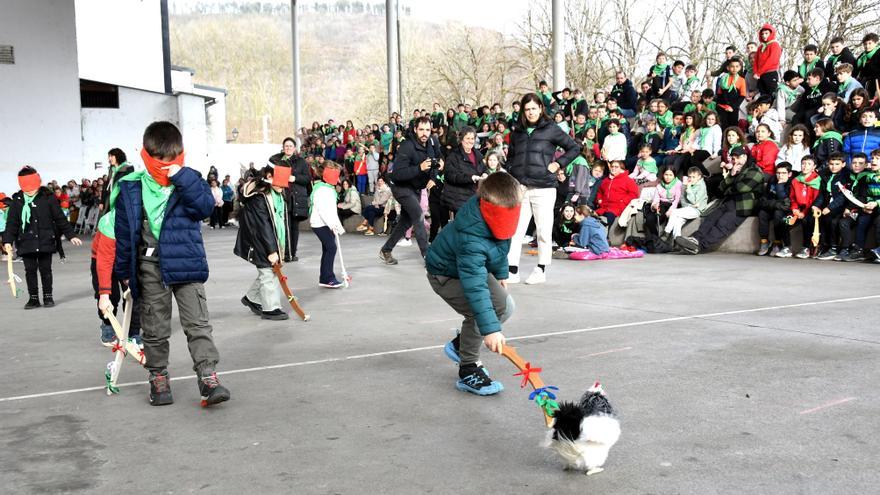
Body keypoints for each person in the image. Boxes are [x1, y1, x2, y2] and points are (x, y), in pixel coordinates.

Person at [110, 121, 229, 407]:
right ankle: (158, 376)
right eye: (160, 162)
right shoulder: (131, 187)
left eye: (172, 160)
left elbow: (204, 207)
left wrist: (182, 177)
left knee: (198, 323)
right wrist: (124, 272)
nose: (165, 167)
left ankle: (208, 377)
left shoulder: (190, 180)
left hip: (187, 263)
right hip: (150, 265)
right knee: (155, 326)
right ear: (146, 155)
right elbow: (124, 234)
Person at [426, 172, 520, 396]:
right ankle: (468, 368)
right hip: (445, 275)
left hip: (469, 269)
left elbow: (500, 244)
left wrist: (501, 273)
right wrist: (490, 330)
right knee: (481, 313)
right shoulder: (471, 238)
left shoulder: (500, 215)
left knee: (506, 306)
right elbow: (475, 288)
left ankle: (460, 344)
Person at [505, 93, 580, 285]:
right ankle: (512, 270)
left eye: (533, 108)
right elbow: (511, 157)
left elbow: (574, 148)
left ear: (540, 108)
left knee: (543, 231)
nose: (530, 112)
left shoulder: (551, 128)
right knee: (515, 230)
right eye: (527, 109)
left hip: (544, 187)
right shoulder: (517, 132)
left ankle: (541, 269)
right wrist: (512, 171)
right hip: (521, 187)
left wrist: (558, 164)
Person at [3, 167, 82, 309]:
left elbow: (59, 218)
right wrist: (8, 241)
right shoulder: (17, 200)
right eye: (26, 189)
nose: (29, 191)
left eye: (32, 188)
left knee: (46, 270)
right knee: (30, 271)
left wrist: (71, 235)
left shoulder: (48, 197)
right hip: (26, 241)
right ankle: (33, 298)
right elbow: (12, 223)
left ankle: (48, 296)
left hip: (45, 239)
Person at [674, 147, 765, 254]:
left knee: (723, 224)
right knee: (710, 219)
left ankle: (699, 246)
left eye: (738, 158)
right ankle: (695, 239)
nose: (735, 161)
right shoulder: (734, 171)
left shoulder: (755, 171)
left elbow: (742, 188)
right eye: (733, 158)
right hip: (728, 202)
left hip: (743, 206)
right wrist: (731, 176)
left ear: (745, 157)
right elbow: (720, 189)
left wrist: (729, 188)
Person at [234, 165, 292, 320]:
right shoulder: (259, 198)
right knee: (267, 272)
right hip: (258, 240)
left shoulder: (276, 194)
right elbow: (263, 226)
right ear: (269, 177)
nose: (283, 187)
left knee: (270, 271)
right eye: (280, 183)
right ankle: (270, 308)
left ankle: (252, 298)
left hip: (269, 239)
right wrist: (272, 251)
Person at [379, 117, 439, 265]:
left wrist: (433, 177)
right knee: (418, 215)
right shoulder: (407, 146)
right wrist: (419, 168)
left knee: (406, 222)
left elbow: (435, 161)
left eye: (427, 130)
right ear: (415, 130)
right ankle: (428, 257)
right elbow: (398, 173)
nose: (425, 133)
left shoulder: (431, 143)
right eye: (421, 129)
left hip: (416, 187)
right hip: (401, 186)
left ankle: (386, 250)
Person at [269, 137, 310, 262]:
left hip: (295, 198)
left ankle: (292, 252)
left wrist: (295, 178)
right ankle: (283, 252)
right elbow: (268, 174)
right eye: (286, 146)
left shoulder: (301, 162)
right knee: (281, 226)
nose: (288, 148)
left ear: (294, 148)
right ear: (283, 147)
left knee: (293, 227)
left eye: (290, 146)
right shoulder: (275, 160)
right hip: (281, 197)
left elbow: (307, 179)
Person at [310, 161, 346, 287]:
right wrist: (332, 225)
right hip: (320, 223)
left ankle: (324, 278)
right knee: (331, 248)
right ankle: (327, 278)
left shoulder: (329, 189)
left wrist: (336, 226)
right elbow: (323, 210)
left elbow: (331, 211)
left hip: (326, 223)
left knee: (327, 248)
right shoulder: (322, 189)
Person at [442, 126, 487, 215]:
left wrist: (485, 173)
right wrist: (470, 178)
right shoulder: (453, 155)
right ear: (461, 139)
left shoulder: (477, 154)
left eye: (472, 138)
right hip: (459, 199)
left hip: (474, 196)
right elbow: (450, 175)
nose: (470, 141)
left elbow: (484, 168)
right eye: (467, 138)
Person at [785, 155, 823, 259]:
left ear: (814, 166)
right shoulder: (796, 180)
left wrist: (804, 212)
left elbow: (815, 200)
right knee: (784, 220)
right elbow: (792, 197)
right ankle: (786, 247)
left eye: (809, 164)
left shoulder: (817, 180)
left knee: (807, 221)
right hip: (797, 210)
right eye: (803, 164)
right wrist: (795, 209)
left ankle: (806, 248)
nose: (805, 166)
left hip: (810, 210)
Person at [814, 153, 850, 260]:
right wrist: (816, 205)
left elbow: (843, 196)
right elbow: (822, 194)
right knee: (821, 219)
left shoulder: (846, 176)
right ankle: (825, 245)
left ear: (843, 164)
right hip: (828, 206)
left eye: (837, 164)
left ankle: (834, 248)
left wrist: (830, 207)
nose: (834, 167)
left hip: (841, 207)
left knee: (834, 222)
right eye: (831, 164)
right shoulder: (825, 175)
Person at [756, 162, 793, 257]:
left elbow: (787, 205)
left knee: (778, 214)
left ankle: (778, 242)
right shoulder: (772, 180)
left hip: (786, 211)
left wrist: (780, 186)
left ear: (789, 174)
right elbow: (765, 198)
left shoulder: (792, 183)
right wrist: (773, 204)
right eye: (778, 173)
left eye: (784, 173)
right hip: (774, 206)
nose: (780, 175)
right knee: (762, 213)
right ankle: (764, 241)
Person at [665, 167, 709, 239]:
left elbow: (694, 201)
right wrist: (684, 186)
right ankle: (677, 239)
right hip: (689, 208)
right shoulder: (689, 184)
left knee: (673, 212)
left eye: (693, 177)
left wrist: (688, 188)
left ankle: (666, 232)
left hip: (696, 210)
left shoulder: (701, 186)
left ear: (699, 177)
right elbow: (683, 201)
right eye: (689, 177)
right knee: (677, 221)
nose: (691, 179)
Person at [595, 160, 639, 225]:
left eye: (616, 167)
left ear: (621, 169)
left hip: (617, 208)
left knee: (608, 219)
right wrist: (599, 199)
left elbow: (634, 194)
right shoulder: (606, 180)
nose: (613, 168)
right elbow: (600, 191)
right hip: (603, 207)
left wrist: (622, 201)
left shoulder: (628, 180)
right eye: (612, 166)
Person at [644, 167, 682, 238]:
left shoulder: (678, 184)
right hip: (662, 205)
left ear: (674, 176)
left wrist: (671, 210)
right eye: (666, 174)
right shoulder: (659, 185)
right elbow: (656, 199)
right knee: (649, 219)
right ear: (663, 175)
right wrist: (654, 205)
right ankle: (655, 238)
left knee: (670, 219)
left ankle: (667, 239)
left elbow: (677, 200)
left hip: (673, 205)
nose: (668, 177)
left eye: (670, 175)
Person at [753, 24, 782, 96]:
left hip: (770, 73)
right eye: (762, 34)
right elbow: (756, 61)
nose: (764, 35)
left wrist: (759, 72)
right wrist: (756, 72)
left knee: (771, 95)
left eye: (766, 33)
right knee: (762, 95)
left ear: (771, 33)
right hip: (760, 75)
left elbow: (771, 61)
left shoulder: (775, 45)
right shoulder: (760, 47)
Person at [854, 33, 880, 99]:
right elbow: (856, 69)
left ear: (876, 43)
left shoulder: (878, 53)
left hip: (876, 83)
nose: (867, 46)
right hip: (865, 83)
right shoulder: (863, 56)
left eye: (870, 43)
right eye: (865, 44)